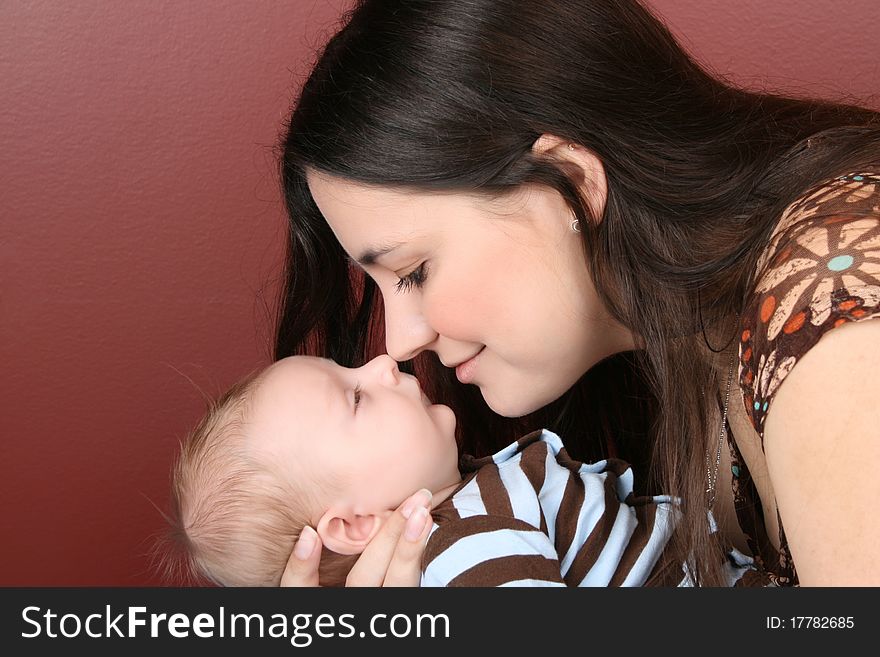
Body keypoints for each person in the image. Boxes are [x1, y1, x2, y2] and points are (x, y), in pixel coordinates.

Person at [275, 0, 880, 587]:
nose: (401, 342)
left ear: (569, 182)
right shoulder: (670, 354)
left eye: (414, 271)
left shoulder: (830, 307)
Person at [165, 353, 688, 587]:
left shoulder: (470, 507)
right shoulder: (463, 552)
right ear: (353, 525)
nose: (382, 363)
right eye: (356, 397)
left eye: (347, 365)